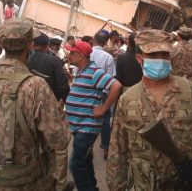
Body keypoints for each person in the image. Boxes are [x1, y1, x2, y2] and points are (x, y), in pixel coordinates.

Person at [106, 29, 192, 191]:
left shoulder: (189, 91)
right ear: (139, 59)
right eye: (153, 55)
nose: (160, 59)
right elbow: (117, 152)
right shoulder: (127, 100)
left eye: (164, 54)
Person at [0, 18, 73, 191]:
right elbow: (58, 141)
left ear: (1, 44)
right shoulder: (36, 86)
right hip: (32, 180)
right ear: (29, 45)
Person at [64, 40, 122, 191]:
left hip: (87, 128)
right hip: (80, 126)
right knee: (85, 160)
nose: (69, 55)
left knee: (75, 164)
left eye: (72, 52)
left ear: (81, 55)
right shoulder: (81, 71)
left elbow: (116, 86)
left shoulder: (94, 72)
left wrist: (103, 109)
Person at [90, 32, 116, 160]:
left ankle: (87, 147)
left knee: (87, 117)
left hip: (87, 90)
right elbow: (111, 79)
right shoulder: (109, 58)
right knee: (105, 121)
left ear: (94, 40)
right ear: (105, 42)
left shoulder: (86, 53)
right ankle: (106, 147)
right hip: (103, 92)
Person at [27, 32, 70, 103]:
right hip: (47, 101)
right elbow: (62, 86)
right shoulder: (54, 60)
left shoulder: (26, 55)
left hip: (28, 97)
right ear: (47, 45)